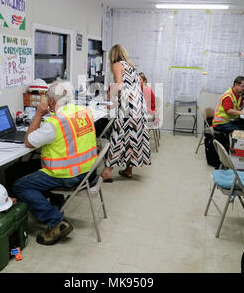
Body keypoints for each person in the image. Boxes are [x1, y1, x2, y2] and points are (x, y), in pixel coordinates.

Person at [13, 81, 98, 245]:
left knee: (20, 185)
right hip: (89, 170)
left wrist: (39, 113)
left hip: (69, 175)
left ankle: (56, 220)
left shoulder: (55, 123)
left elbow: (28, 142)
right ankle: (56, 210)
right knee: (34, 167)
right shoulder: (84, 111)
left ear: (51, 102)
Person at [100, 44, 151, 181]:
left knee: (118, 134)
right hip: (139, 104)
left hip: (129, 106)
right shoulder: (131, 67)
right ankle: (128, 170)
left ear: (113, 55)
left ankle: (107, 171)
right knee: (133, 135)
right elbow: (131, 87)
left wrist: (110, 97)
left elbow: (120, 85)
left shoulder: (117, 65)